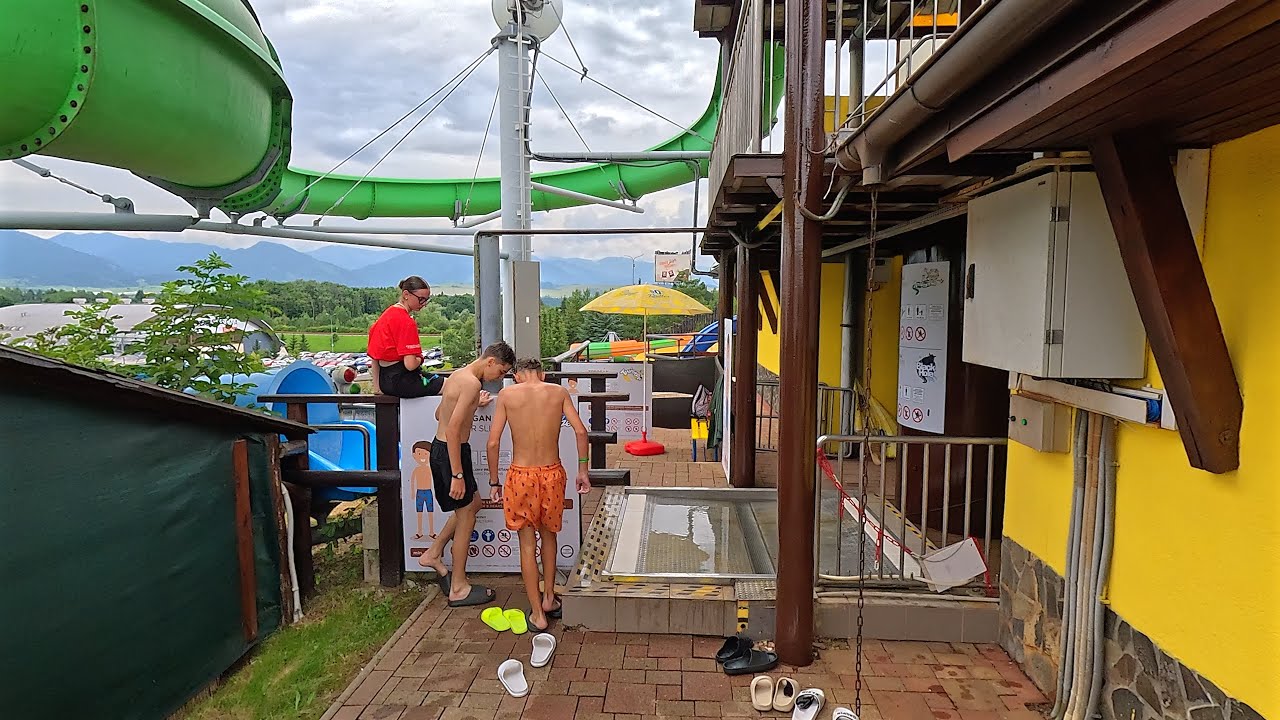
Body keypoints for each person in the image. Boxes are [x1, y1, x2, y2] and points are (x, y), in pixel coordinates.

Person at [487, 357, 590, 631]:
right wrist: (583, 470)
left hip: (521, 475)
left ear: (518, 376)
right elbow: (580, 431)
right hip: (552, 473)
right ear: (542, 374)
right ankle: (548, 599)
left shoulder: (508, 395)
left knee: (526, 544)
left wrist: (495, 481)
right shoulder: (557, 392)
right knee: (549, 536)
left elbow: (493, 441)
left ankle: (537, 615)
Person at [417, 341, 516, 607]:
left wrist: (474, 404)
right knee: (466, 517)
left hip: (443, 450)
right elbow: (451, 429)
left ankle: (434, 552)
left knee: (473, 504)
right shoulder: (472, 384)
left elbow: (441, 413)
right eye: (502, 372)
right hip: (452, 454)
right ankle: (458, 586)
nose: (500, 378)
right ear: (491, 362)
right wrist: (457, 475)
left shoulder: (458, 376)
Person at [367, 276, 443, 398]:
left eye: (426, 300)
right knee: (453, 385)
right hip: (404, 381)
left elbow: (374, 357)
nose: (424, 304)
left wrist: (377, 387)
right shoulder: (406, 321)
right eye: (421, 299)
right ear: (406, 294)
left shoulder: (384, 317)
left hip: (385, 382)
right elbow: (410, 364)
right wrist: (420, 358)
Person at [409, 441, 436, 540]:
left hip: (429, 492)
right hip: (419, 492)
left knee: (430, 512)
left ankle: (431, 532)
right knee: (419, 512)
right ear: (414, 455)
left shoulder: (430, 469)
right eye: (419, 453)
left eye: (426, 453)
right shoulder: (416, 470)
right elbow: (412, 481)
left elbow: (434, 481)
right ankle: (419, 532)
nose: (422, 456)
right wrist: (412, 492)